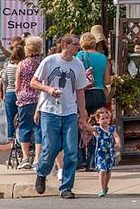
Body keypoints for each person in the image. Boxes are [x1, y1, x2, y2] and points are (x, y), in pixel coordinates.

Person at [31, 34, 88, 199]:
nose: (78, 47)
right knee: (51, 147)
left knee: (71, 150)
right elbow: (33, 82)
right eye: (75, 44)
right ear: (65, 45)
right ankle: (42, 173)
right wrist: (48, 89)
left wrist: (82, 113)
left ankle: (66, 187)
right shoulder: (50, 61)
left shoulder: (78, 65)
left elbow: (80, 90)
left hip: (69, 111)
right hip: (50, 111)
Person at [77, 31, 111, 170]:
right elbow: (107, 80)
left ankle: (80, 160)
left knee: (81, 124)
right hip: (99, 92)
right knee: (96, 126)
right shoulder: (103, 58)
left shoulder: (80, 56)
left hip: (84, 94)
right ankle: (93, 161)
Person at [15, 36, 44, 169]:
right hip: (40, 99)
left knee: (24, 127)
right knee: (39, 128)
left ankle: (25, 157)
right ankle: (37, 159)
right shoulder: (44, 62)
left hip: (25, 99)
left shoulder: (22, 64)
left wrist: (19, 97)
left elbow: (17, 85)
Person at [80, 107, 121, 198]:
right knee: (102, 171)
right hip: (100, 154)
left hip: (110, 154)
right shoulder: (97, 129)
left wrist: (118, 143)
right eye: (102, 118)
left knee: (108, 171)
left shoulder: (112, 129)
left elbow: (116, 137)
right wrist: (84, 121)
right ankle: (102, 189)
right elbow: (88, 128)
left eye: (107, 118)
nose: (105, 120)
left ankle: (106, 186)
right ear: (98, 120)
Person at [2, 44, 25, 141]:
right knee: (21, 118)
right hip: (20, 93)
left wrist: (3, 94)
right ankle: (20, 138)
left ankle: (10, 137)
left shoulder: (8, 66)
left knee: (10, 118)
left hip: (9, 93)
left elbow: (4, 81)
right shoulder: (23, 66)